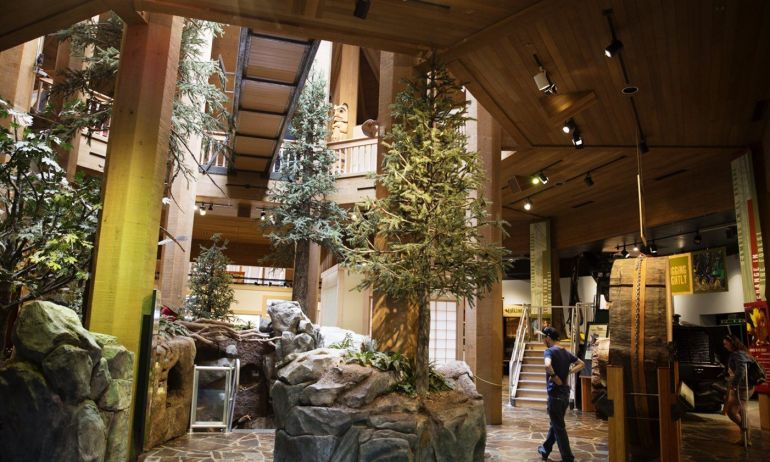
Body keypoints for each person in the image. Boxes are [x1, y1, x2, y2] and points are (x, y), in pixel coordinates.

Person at [537, 326, 584, 461]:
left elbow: (547, 365)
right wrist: (569, 372)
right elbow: (581, 364)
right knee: (555, 423)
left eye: (543, 337)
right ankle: (545, 449)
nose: (543, 340)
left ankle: (567, 457)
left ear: (548, 338)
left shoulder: (549, 351)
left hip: (555, 395)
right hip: (565, 395)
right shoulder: (565, 352)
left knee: (559, 427)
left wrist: (554, 375)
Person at [722, 334, 755, 446]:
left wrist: (734, 384)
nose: (724, 345)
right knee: (739, 411)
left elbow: (741, 370)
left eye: (726, 342)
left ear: (732, 343)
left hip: (742, 388)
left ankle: (746, 433)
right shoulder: (742, 353)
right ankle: (745, 436)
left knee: (733, 411)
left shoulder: (738, 354)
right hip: (743, 387)